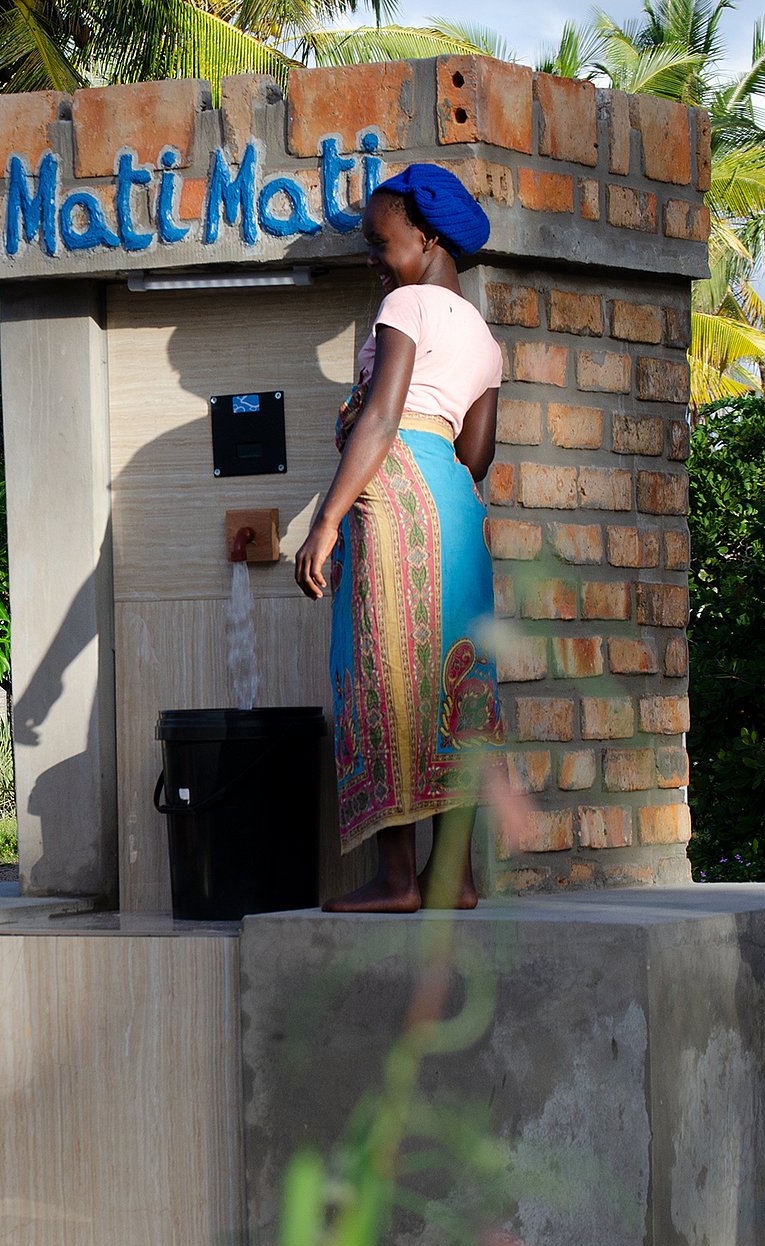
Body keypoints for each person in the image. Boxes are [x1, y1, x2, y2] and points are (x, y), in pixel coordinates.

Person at [293, 162, 506, 914]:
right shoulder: (484, 337)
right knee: (456, 684)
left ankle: (397, 880)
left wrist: (324, 522)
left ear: (428, 236)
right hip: (454, 507)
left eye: (381, 243)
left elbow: (380, 419)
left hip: (390, 496)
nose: (374, 260)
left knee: (381, 676)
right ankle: (457, 876)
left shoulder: (406, 306)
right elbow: (475, 456)